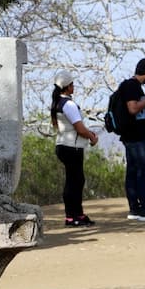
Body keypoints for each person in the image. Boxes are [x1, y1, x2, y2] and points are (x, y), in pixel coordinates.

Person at [50, 70, 99, 227]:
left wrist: (88, 133)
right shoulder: (69, 104)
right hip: (72, 147)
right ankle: (72, 216)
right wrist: (91, 136)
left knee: (76, 180)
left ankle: (77, 214)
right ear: (67, 86)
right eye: (72, 84)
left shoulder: (58, 103)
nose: (74, 87)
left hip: (64, 145)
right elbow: (79, 128)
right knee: (75, 181)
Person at [119, 58, 145, 221]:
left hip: (134, 135)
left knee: (135, 170)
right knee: (143, 170)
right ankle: (142, 207)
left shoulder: (132, 87)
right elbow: (133, 108)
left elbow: (138, 108)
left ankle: (136, 207)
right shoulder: (131, 86)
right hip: (135, 136)